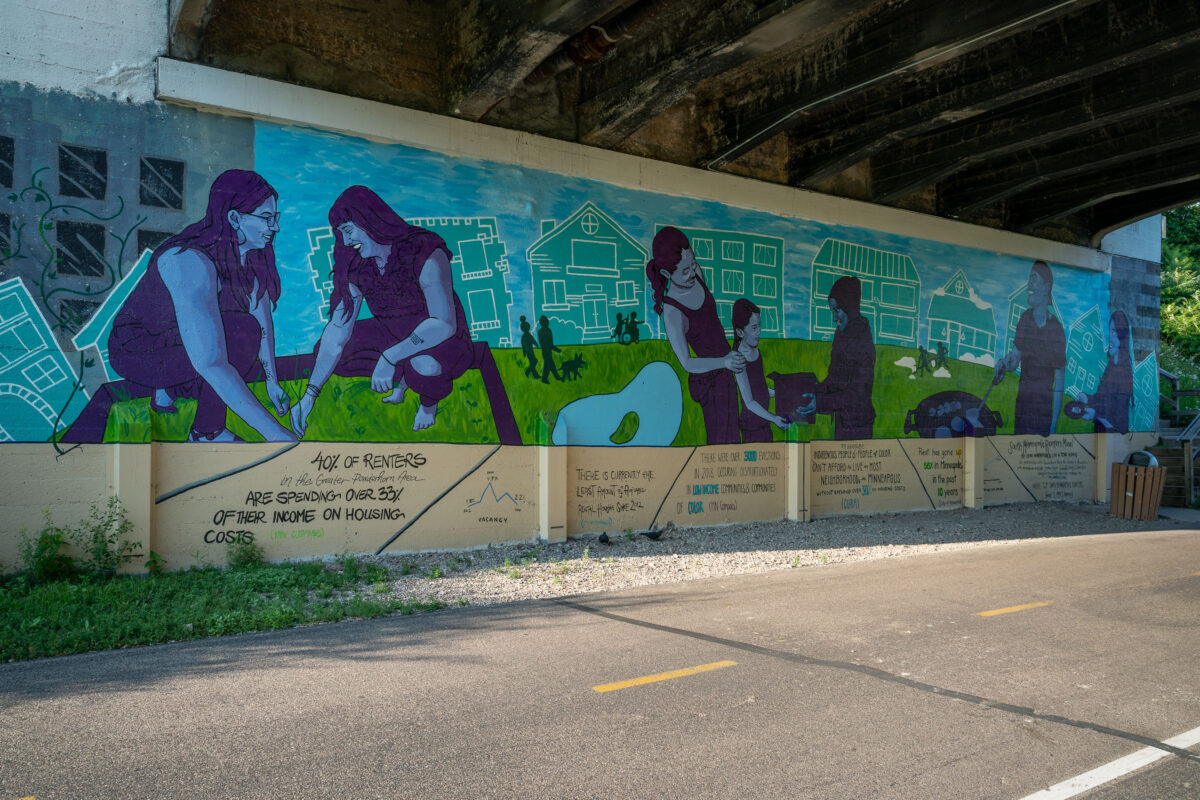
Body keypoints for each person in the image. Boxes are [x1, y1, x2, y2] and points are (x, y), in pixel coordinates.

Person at [107, 169, 295, 443]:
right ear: (234, 218)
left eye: (275, 218)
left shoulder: (252, 260)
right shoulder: (188, 260)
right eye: (266, 218)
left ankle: (171, 388)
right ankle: (207, 432)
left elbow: (263, 326)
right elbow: (210, 360)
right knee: (239, 330)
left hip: (183, 345)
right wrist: (277, 436)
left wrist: (272, 382)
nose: (274, 227)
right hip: (138, 350)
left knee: (245, 330)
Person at [290, 186, 473, 435]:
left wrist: (389, 357)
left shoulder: (424, 249)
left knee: (424, 366)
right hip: (394, 334)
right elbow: (339, 327)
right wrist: (309, 396)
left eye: (348, 230)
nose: (345, 241)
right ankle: (404, 375)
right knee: (331, 351)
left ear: (370, 220)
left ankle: (427, 404)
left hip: (442, 338)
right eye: (340, 233)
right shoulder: (357, 264)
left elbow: (443, 323)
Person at [646, 226, 744, 444]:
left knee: (734, 436)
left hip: (727, 371)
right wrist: (723, 362)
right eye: (685, 270)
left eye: (693, 263)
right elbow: (687, 363)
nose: (692, 271)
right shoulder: (672, 312)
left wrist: (729, 362)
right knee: (719, 440)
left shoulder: (697, 274)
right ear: (665, 274)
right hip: (709, 379)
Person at [797, 275, 876, 439]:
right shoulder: (841, 334)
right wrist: (814, 392)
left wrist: (820, 402)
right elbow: (834, 378)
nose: (833, 318)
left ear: (850, 309)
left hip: (859, 424)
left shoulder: (863, 341)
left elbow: (857, 394)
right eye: (832, 311)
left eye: (836, 310)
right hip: (842, 420)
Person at [994, 260, 1066, 436]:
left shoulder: (1056, 329)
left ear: (1047, 286)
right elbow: (1014, 358)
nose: (1029, 283)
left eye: (1034, 278)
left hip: (1043, 410)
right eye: (1029, 278)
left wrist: (1054, 425)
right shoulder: (1025, 319)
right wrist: (1004, 363)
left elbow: (1060, 383)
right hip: (1023, 406)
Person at [730, 298, 789, 442]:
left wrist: (780, 393)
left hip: (764, 423)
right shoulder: (738, 358)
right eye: (754, 328)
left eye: (759, 326)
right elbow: (749, 401)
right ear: (740, 332)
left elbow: (761, 388)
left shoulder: (757, 353)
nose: (759, 332)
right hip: (751, 427)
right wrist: (774, 418)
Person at [1076, 310, 1133, 433]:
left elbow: (1119, 413)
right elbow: (1102, 399)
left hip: (1114, 437)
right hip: (1102, 432)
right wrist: (1086, 398)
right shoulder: (1111, 366)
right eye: (1109, 331)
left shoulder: (1124, 370)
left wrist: (1095, 415)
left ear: (1121, 334)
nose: (1109, 337)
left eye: (1113, 331)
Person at [538, 315, 561, 382]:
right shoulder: (542, 331)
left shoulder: (548, 330)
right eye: (545, 321)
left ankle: (556, 377)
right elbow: (543, 343)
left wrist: (555, 349)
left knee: (551, 365)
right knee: (548, 365)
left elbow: (551, 343)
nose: (547, 323)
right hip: (545, 351)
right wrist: (555, 349)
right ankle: (545, 379)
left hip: (548, 351)